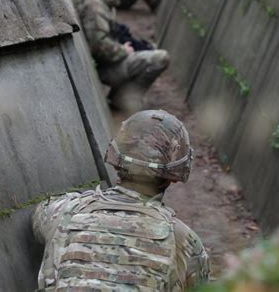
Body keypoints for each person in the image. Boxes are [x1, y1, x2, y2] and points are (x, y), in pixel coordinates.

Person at [33, 110, 210, 291]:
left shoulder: (64, 210)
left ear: (116, 160)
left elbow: (40, 220)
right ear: (175, 176)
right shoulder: (185, 241)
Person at [72, 0, 169, 110]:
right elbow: (97, 45)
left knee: (149, 48)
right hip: (102, 68)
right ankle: (123, 100)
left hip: (98, 64)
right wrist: (123, 50)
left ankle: (117, 98)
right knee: (160, 58)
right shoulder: (94, 5)